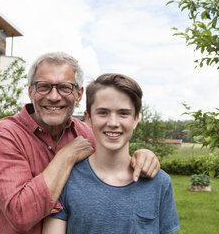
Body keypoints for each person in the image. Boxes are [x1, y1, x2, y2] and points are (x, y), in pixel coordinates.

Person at [0, 52, 161, 234]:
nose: (53, 97)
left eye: (65, 88)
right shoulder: (6, 135)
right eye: (43, 87)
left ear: (79, 94)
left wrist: (143, 155)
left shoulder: (86, 133)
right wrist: (66, 156)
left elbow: (114, 161)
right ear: (30, 92)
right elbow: (20, 214)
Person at [43, 73, 180, 234]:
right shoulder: (66, 179)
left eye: (123, 113)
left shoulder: (159, 183)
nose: (113, 123)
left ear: (135, 119)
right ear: (89, 118)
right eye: (103, 113)